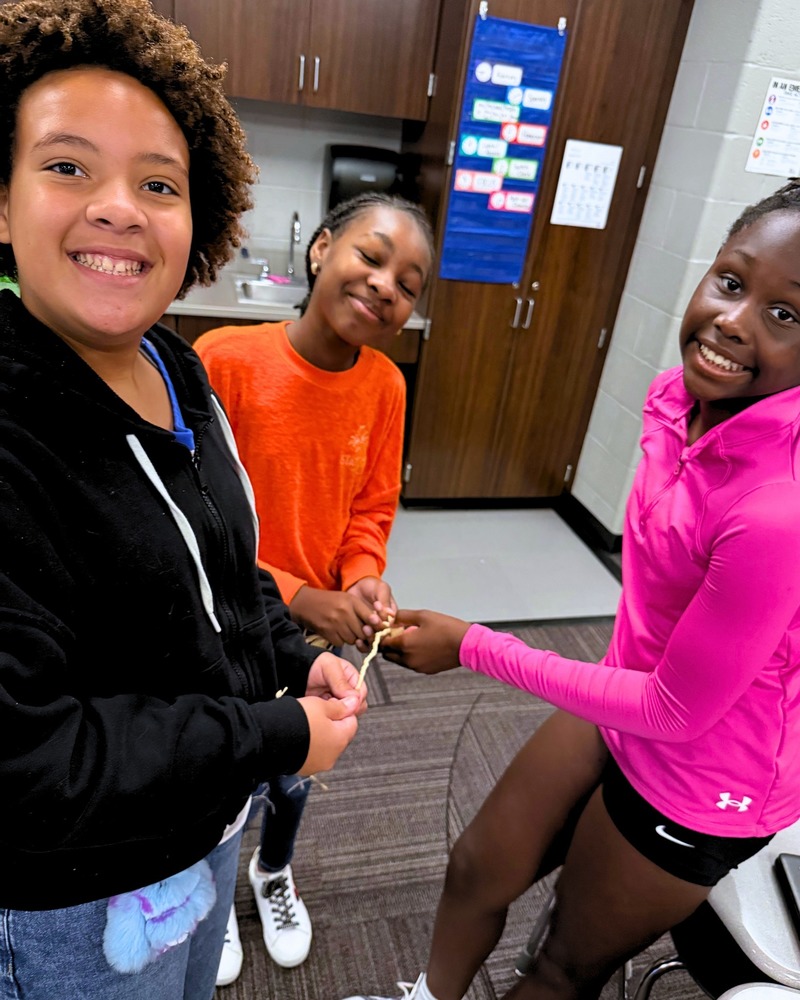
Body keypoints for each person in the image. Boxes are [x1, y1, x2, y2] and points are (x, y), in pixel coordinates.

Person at [342, 180, 800, 1000]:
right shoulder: (681, 400)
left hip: (702, 770)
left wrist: (476, 646)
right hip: (625, 691)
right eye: (733, 282)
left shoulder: (779, 511)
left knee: (560, 964)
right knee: (478, 867)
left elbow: (675, 711)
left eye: (786, 315)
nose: (734, 321)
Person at [0, 2, 367, 998]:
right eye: (68, 166)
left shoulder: (174, 366)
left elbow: (218, 570)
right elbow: (27, 765)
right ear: (0, 201)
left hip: (204, 819)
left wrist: (292, 657)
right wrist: (275, 735)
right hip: (81, 890)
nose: (119, 208)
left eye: (157, 182)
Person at [194, 191, 434, 984]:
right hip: (228, 619)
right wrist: (296, 593)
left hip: (321, 633)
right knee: (228, 767)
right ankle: (219, 891)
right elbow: (197, 518)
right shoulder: (225, 359)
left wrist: (363, 583)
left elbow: (372, 507)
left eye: (409, 281)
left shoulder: (388, 387)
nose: (384, 286)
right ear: (321, 248)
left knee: (298, 768)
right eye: (370, 256)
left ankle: (274, 873)